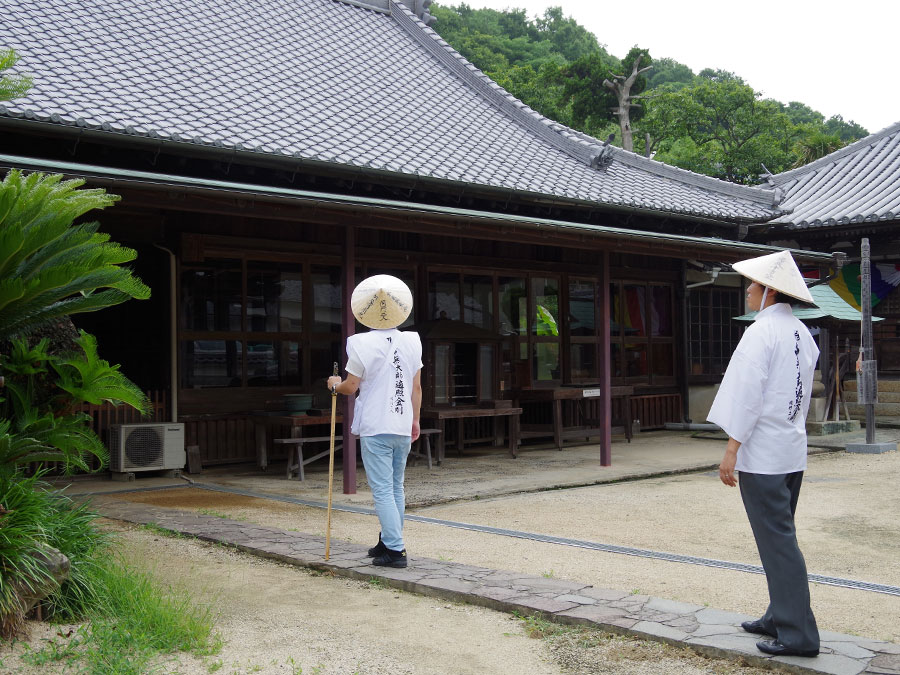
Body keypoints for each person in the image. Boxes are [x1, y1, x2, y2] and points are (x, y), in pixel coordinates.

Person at [707, 250, 821, 658]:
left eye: (753, 286)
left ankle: (798, 634)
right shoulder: (802, 333)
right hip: (790, 449)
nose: (749, 292)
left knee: (778, 542)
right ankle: (778, 615)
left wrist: (731, 449)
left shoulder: (760, 333)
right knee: (780, 536)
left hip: (764, 455)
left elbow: (747, 394)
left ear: (770, 291)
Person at [328, 274, 422, 569]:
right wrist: (415, 419)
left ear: (364, 311)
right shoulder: (412, 341)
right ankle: (388, 539)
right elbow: (416, 387)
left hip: (376, 426)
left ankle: (395, 550)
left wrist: (333, 384)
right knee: (396, 487)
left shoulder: (359, 344)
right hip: (402, 424)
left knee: (383, 489)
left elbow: (351, 386)